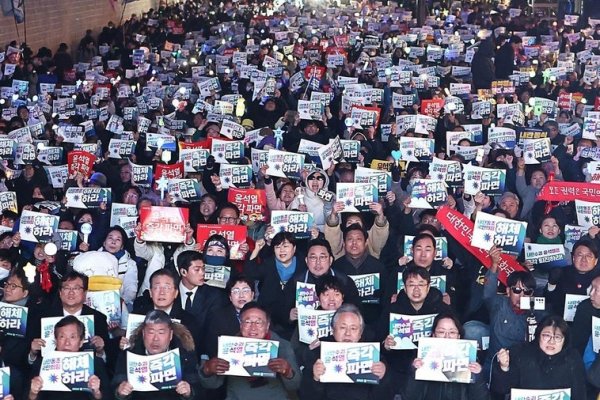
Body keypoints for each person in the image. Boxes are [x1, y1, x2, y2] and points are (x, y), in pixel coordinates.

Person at [200, 302, 302, 399]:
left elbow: (295, 385)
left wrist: (288, 371)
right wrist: (207, 370)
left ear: (267, 326)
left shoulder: (282, 346)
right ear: (241, 325)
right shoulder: (229, 345)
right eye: (247, 322)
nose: (253, 328)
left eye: (258, 322)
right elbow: (212, 384)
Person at [300, 303, 393, 400]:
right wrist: (315, 379)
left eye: (353, 328)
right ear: (333, 330)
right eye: (342, 327)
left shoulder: (373, 355)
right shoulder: (318, 355)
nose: (347, 333)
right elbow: (305, 396)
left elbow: (387, 395)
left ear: (360, 333)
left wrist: (383, 377)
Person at [491, 315, 587, 399]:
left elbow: (579, 394)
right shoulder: (521, 353)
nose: (551, 342)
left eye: (557, 337)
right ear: (538, 336)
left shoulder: (573, 358)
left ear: (564, 341)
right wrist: (504, 367)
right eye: (546, 336)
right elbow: (501, 389)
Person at [112, 310, 199, 400]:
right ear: (143, 333)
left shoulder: (184, 355)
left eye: (161, 333)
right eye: (151, 332)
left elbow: (198, 388)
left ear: (171, 335)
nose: (156, 339)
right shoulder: (128, 355)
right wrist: (120, 393)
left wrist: (189, 393)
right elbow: (115, 386)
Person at [404, 312, 489, 400]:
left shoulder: (470, 362)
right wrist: (414, 372)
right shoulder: (422, 361)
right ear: (434, 335)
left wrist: (478, 376)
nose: (447, 336)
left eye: (452, 332)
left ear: (458, 336)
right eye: (441, 332)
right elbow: (408, 397)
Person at [28, 316, 111, 400]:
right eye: (62, 337)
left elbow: (108, 396)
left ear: (81, 342)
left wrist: (96, 392)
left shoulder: (95, 363)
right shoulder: (41, 363)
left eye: (72, 337)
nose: (67, 343)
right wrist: (33, 393)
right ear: (56, 341)